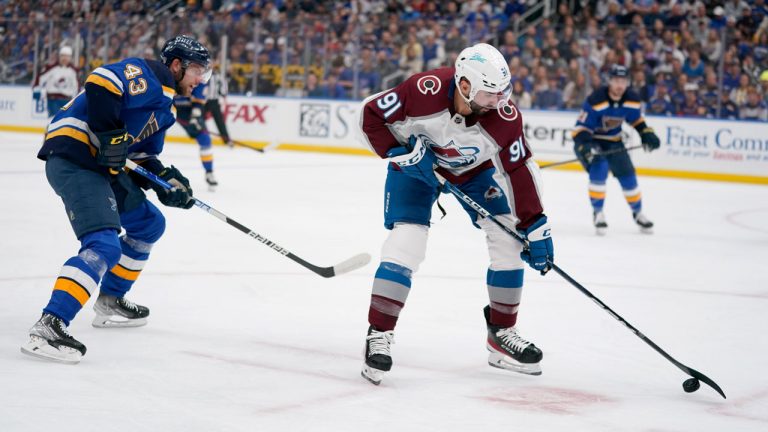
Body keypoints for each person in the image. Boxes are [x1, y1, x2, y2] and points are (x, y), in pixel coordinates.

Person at [358, 43, 554, 385]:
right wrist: (401, 153)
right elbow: (370, 115)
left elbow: (518, 168)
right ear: (465, 85)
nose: (501, 101)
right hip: (415, 168)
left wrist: (535, 224)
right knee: (408, 241)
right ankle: (380, 333)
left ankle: (502, 335)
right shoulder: (423, 90)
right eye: (491, 94)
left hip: (473, 173)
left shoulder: (504, 119)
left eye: (503, 92)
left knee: (509, 239)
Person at [21, 35, 211, 364]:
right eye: (197, 71)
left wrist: (167, 181)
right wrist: (110, 134)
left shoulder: (165, 110)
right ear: (176, 65)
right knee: (104, 245)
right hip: (76, 156)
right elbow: (101, 80)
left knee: (150, 224)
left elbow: (138, 157)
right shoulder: (150, 74)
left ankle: (110, 300)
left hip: (102, 166)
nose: (200, 80)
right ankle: (49, 325)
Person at [572, 65, 661, 236]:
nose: (620, 85)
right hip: (592, 141)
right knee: (600, 169)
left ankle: (638, 213)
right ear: (610, 81)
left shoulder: (632, 98)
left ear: (627, 83)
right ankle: (598, 213)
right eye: (616, 81)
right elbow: (581, 129)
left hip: (614, 142)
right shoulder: (596, 99)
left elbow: (635, 119)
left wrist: (645, 132)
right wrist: (585, 147)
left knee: (628, 176)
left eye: (623, 81)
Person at [175, 62, 229, 191]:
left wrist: (195, 115)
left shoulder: (202, 78)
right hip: (171, 107)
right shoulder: (176, 72)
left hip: (187, 112)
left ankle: (209, 172)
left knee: (205, 140)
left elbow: (198, 99)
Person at [33, 46, 79, 118]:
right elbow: (40, 78)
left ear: (70, 58)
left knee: (64, 122)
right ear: (59, 56)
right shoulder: (51, 67)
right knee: (54, 120)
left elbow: (76, 86)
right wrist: (36, 90)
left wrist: (76, 100)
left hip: (66, 100)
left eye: (67, 56)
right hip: (53, 99)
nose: (64, 58)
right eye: (63, 56)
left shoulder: (74, 71)